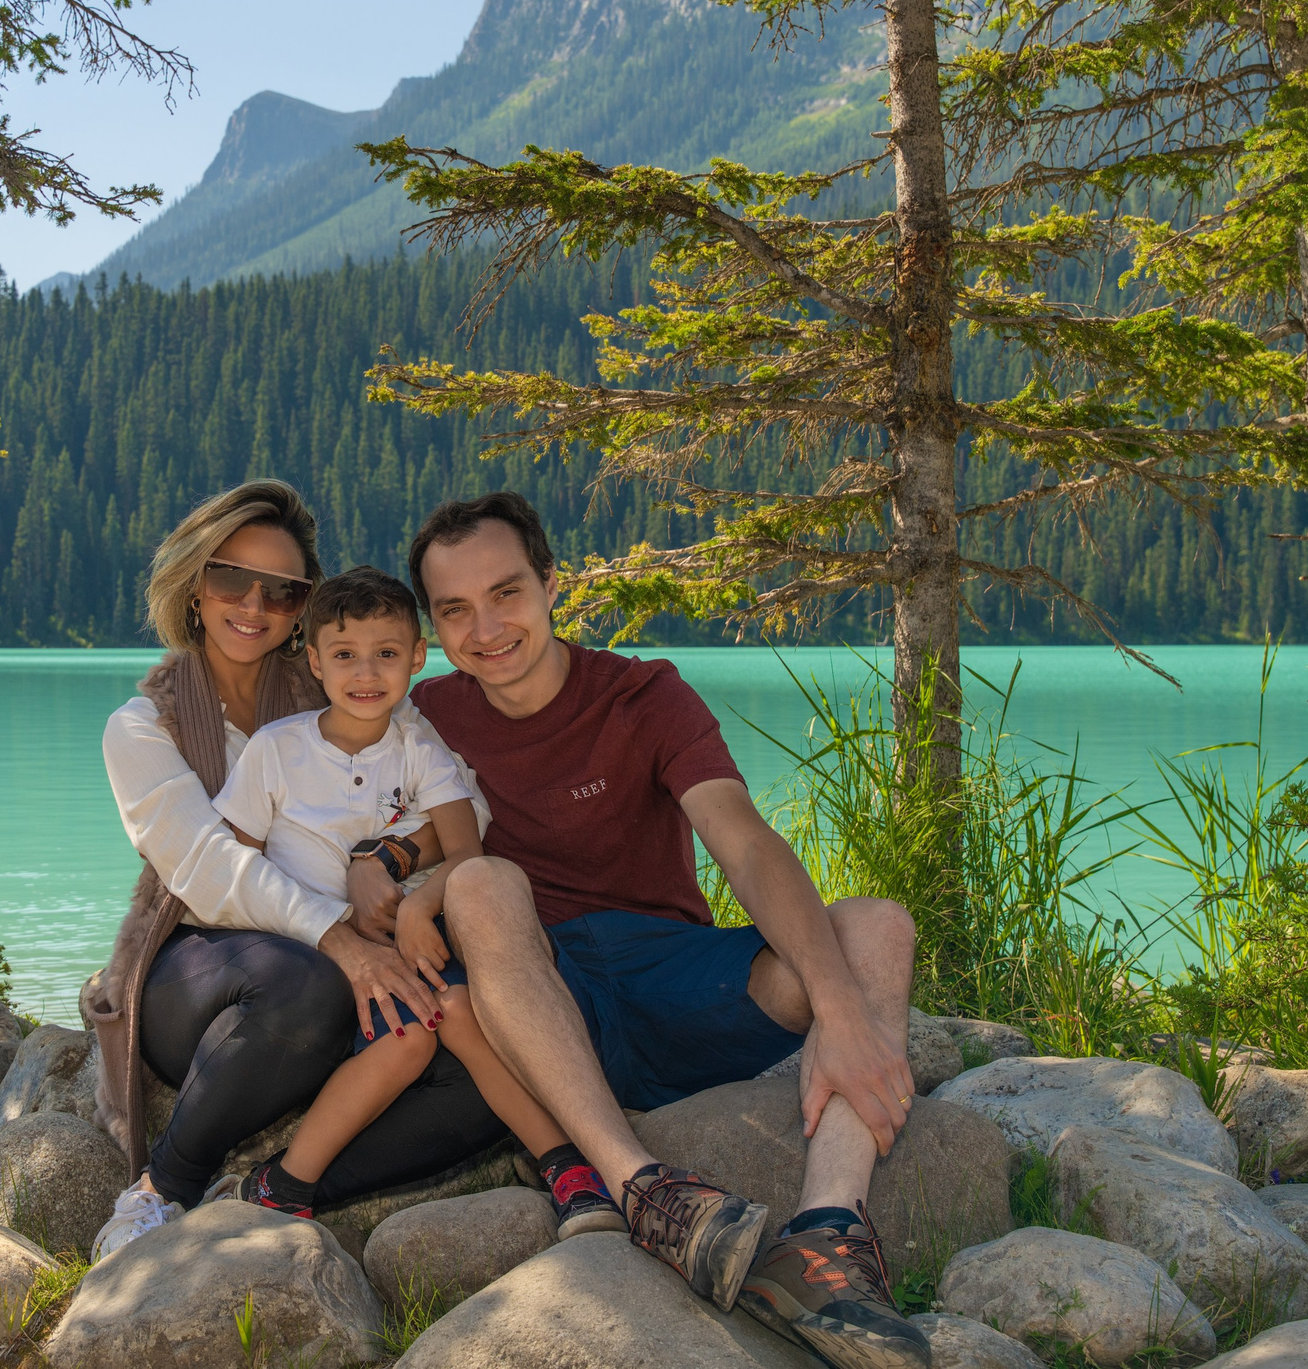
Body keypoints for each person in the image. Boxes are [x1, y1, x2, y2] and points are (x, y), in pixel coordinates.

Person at [406, 491, 931, 1369]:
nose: (485, 627)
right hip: (542, 1005)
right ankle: (643, 1189)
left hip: (678, 985)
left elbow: (742, 838)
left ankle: (826, 1241)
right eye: (454, 609)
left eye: (506, 593)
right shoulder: (428, 718)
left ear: (550, 584)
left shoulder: (643, 692)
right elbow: (374, 835)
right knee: (483, 881)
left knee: (879, 926)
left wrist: (839, 1008)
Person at [84, 482, 502, 1262]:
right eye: (229, 578)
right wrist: (342, 939)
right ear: (192, 586)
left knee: (482, 1053)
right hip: (206, 967)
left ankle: (279, 1186)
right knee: (304, 984)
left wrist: (387, 857)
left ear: (304, 609)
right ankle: (163, 1186)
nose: (253, 603)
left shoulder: (344, 687)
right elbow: (207, 869)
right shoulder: (143, 726)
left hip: (347, 953)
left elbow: (458, 796)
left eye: (281, 589)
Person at [207, 565, 619, 1236]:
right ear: (314, 661)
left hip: (403, 948)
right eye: (344, 655)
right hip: (310, 950)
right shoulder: (276, 749)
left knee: (455, 1009)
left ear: (417, 657)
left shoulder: (419, 746)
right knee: (407, 1039)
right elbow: (233, 861)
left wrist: (413, 908)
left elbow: (467, 856)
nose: (365, 673)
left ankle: (568, 1168)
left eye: (387, 654)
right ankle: (284, 1183)